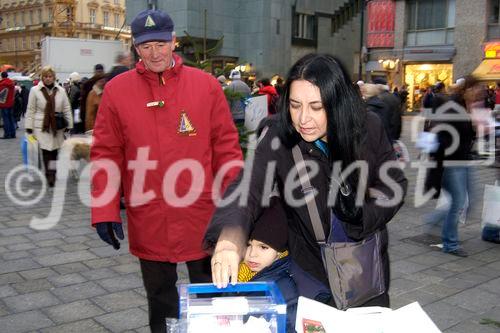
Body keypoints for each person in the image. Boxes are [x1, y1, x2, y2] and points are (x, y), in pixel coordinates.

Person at [205, 54, 408, 309]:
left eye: (316, 107)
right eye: (295, 105)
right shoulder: (279, 136)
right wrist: (229, 239)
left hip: (363, 268)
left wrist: (362, 214)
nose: (303, 119)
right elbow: (249, 186)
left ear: (337, 103)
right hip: (311, 270)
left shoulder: (368, 127)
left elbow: (394, 185)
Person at [90, 9, 242, 333]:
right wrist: (104, 209)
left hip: (202, 214)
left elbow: (227, 149)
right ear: (135, 48)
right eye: (146, 46)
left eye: (161, 44)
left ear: (174, 42)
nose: (154, 53)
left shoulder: (205, 86)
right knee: (160, 299)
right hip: (150, 215)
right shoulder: (118, 91)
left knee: (211, 294)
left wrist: (236, 209)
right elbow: (106, 152)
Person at [238, 196, 331, 332]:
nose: (252, 254)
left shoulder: (282, 288)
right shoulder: (238, 273)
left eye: (263, 247)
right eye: (248, 245)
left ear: (279, 251)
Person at [423, 77, 477, 257]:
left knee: (468, 201)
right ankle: (450, 243)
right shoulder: (453, 107)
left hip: (462, 159)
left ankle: (434, 220)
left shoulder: (464, 106)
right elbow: (435, 132)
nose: (480, 92)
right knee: (459, 202)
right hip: (450, 162)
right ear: (467, 89)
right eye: (476, 89)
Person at [25, 66, 73, 187]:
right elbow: (30, 109)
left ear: (54, 77)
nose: (47, 79)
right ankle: (49, 175)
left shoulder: (61, 90)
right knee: (46, 150)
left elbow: (66, 108)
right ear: (42, 77)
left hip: (57, 124)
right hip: (41, 125)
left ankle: (54, 172)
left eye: (50, 76)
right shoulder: (35, 90)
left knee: (56, 151)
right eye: (45, 76)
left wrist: (69, 123)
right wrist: (29, 126)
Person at [0, 71, 16, 139]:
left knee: (5, 119)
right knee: (11, 119)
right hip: (11, 104)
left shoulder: (1, 84)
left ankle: (7, 134)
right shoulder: (12, 83)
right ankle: (13, 134)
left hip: (4, 105)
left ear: (1, 76)